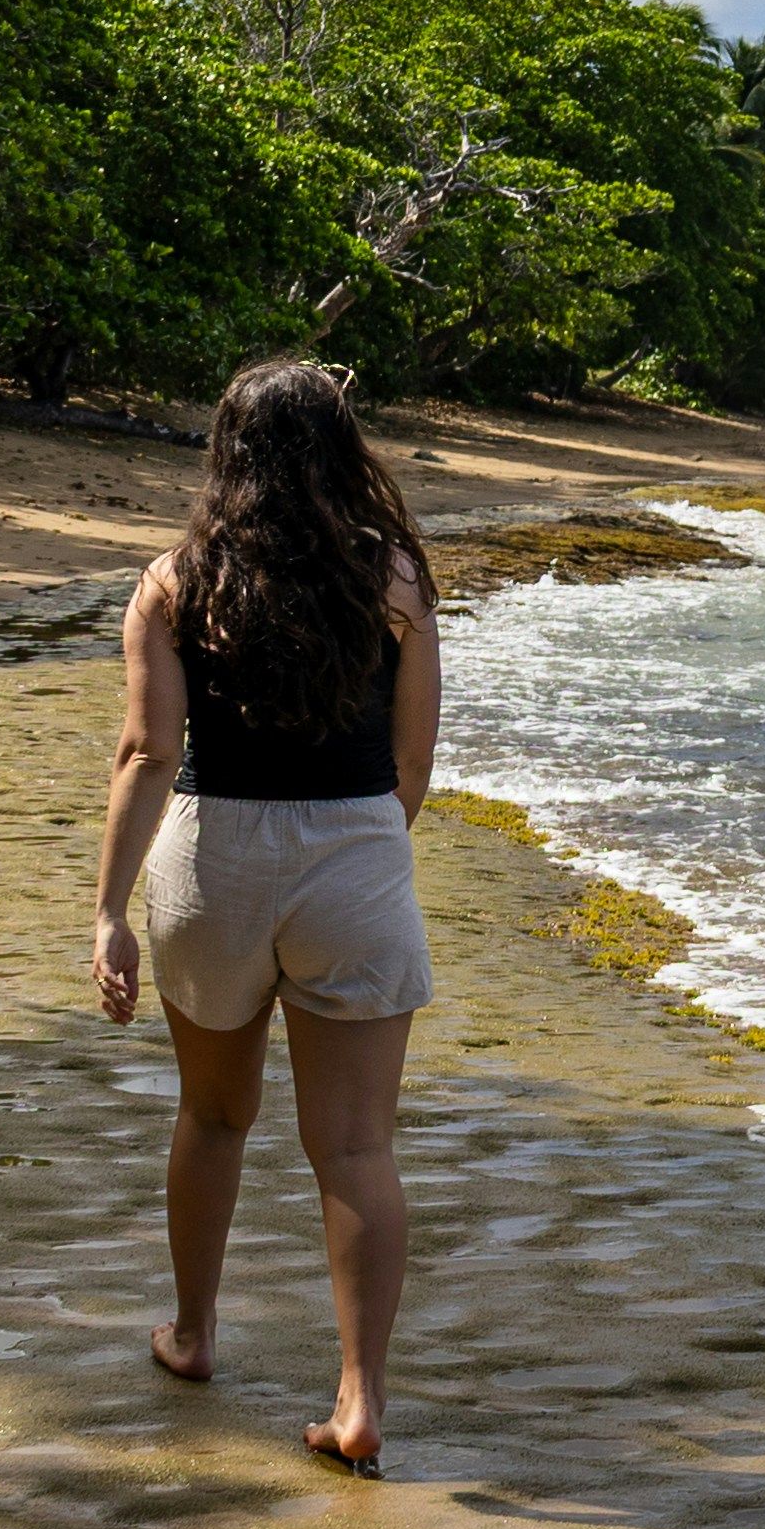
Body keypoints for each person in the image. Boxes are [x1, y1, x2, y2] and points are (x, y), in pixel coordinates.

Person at [92, 357, 443, 1467]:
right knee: (353, 1146)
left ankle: (193, 1335)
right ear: (342, 448)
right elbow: (414, 764)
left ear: (227, 451)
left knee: (212, 1116)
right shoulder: (393, 579)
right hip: (352, 845)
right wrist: (353, 854)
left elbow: (148, 754)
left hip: (212, 862)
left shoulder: (172, 583)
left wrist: (109, 911)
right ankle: (358, 1404)